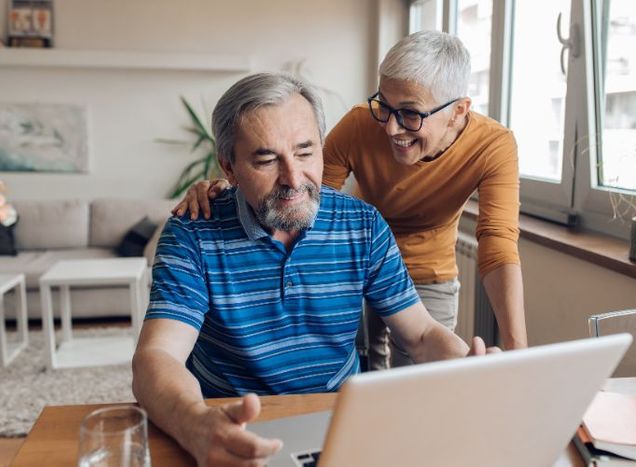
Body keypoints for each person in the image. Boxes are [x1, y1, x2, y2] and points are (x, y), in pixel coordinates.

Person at [133, 72, 495, 466]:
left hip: (337, 423)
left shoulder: (363, 225)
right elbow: (158, 356)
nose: (293, 179)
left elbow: (422, 334)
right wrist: (196, 425)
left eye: (305, 152)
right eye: (267, 159)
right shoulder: (192, 232)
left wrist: (467, 367)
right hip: (232, 425)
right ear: (229, 168)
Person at [175, 31, 527, 370]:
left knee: (421, 379)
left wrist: (517, 352)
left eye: (409, 113)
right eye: (384, 106)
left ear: (459, 110)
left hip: (425, 265)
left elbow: (497, 241)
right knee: (367, 361)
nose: (390, 127)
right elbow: (304, 194)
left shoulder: (493, 145)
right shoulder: (361, 125)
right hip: (354, 258)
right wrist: (234, 188)